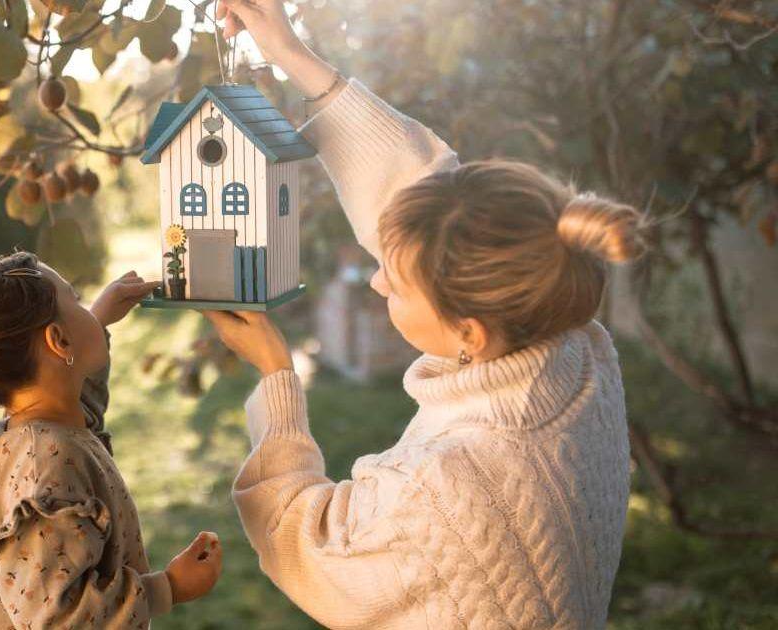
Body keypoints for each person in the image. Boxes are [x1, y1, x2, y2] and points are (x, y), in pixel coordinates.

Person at [206, 1, 645, 627]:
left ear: (469, 331)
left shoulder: (440, 488)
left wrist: (278, 376)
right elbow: (432, 204)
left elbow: (311, 544)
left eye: (399, 283)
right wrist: (292, 55)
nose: (378, 277)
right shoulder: (574, 344)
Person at [0, 252, 222, 629]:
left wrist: (98, 318)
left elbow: (79, 408)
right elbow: (58, 616)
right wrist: (169, 587)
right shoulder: (49, 466)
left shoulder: (44, 432)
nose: (86, 309)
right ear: (58, 341)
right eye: (75, 300)